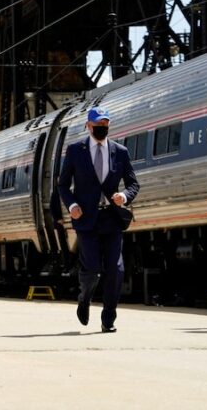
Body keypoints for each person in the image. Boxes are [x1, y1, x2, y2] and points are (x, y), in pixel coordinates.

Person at [58, 106, 140, 332]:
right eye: (97, 126)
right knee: (92, 268)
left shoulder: (120, 151)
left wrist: (123, 196)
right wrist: (72, 205)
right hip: (86, 219)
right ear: (88, 126)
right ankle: (84, 298)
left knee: (116, 269)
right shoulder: (75, 150)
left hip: (111, 219)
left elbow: (133, 183)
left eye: (105, 126)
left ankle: (108, 319)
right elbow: (63, 185)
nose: (102, 129)